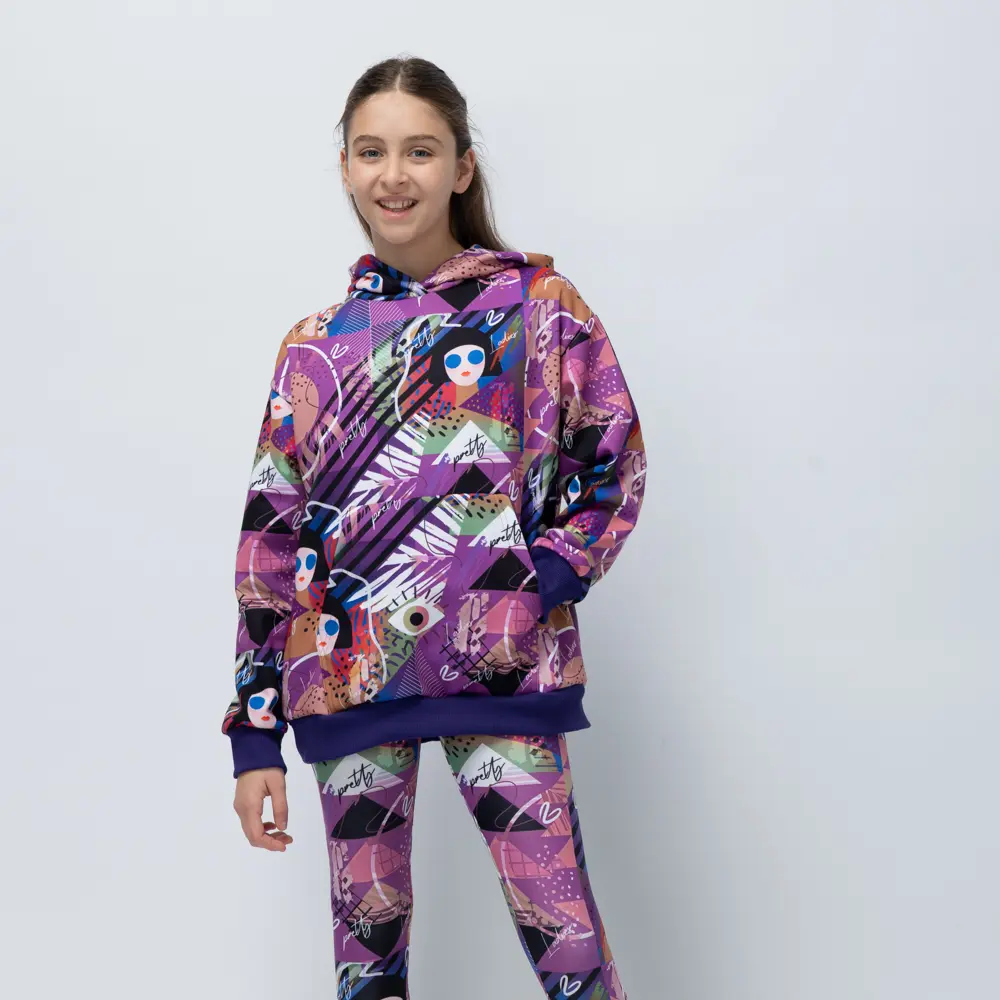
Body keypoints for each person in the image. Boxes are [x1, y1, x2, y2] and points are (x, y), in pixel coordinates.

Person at [223, 54, 647, 1000]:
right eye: (371, 152)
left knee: (567, 947)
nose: (394, 175)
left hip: (505, 671)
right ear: (345, 167)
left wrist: (536, 581)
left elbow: (610, 459)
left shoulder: (539, 309)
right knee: (366, 964)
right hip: (345, 678)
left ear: (461, 166)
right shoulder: (315, 347)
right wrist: (254, 734)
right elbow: (270, 539)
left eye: (420, 151)